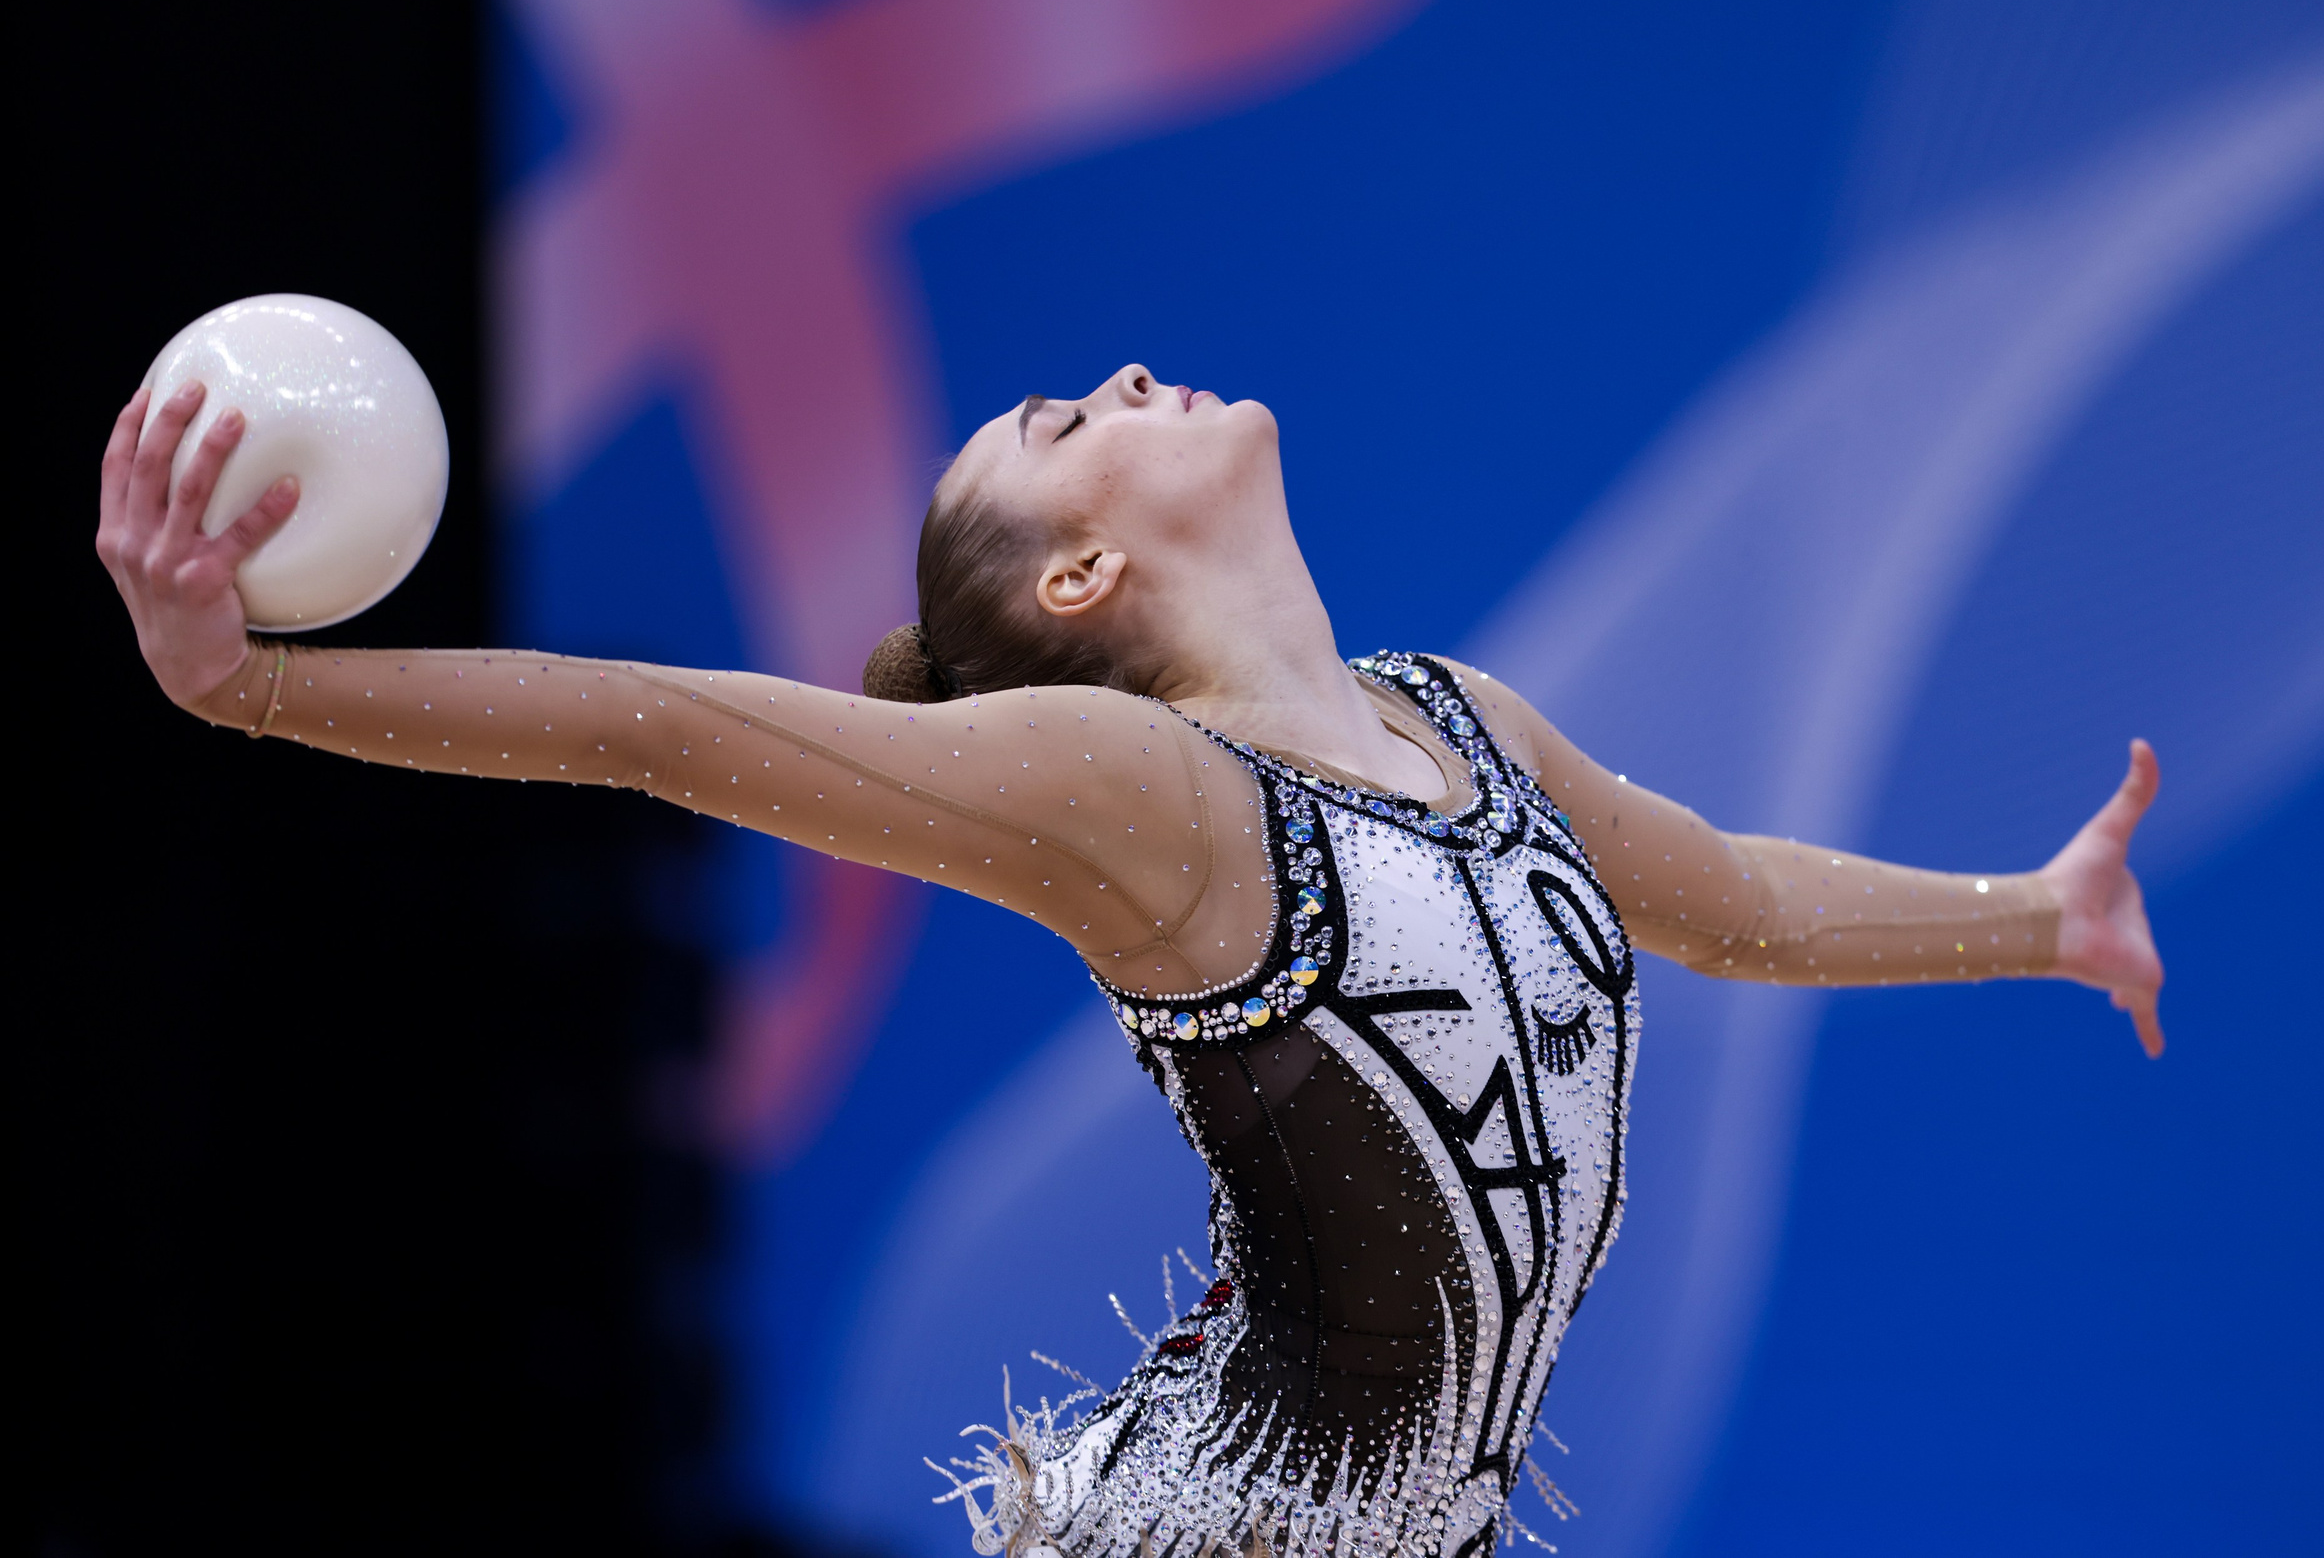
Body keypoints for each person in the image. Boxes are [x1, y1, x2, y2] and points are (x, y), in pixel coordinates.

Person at [100, 365, 2163, 1557]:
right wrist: (246, 687)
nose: (1130, 379)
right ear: (1077, 577)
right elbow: (653, 720)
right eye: (1068, 416)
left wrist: (2036, 915)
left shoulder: (1459, 715)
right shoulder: (1140, 788)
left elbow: (1726, 896)